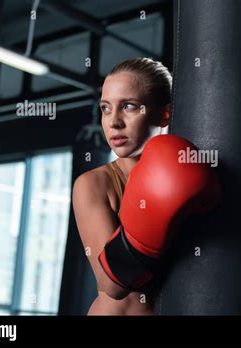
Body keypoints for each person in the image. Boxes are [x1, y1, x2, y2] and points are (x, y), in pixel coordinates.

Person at [73, 58, 172, 315]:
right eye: (106, 108)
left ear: (164, 114)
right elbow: (112, 284)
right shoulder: (94, 184)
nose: (113, 122)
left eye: (128, 106)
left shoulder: (189, 172)